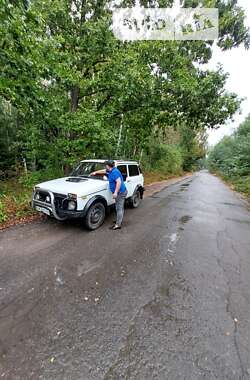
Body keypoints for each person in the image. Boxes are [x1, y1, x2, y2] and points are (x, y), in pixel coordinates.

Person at [104, 160, 128, 230]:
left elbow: (119, 182)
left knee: (119, 208)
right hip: (121, 192)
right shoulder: (112, 170)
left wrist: (115, 192)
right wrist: (96, 172)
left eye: (106, 165)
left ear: (108, 166)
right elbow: (106, 173)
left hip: (120, 193)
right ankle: (119, 220)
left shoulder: (115, 172)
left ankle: (118, 225)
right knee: (120, 207)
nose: (105, 166)